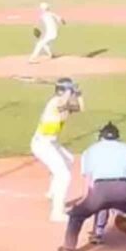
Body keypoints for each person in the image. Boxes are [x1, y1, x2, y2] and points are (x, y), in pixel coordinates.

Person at [58, 123, 126, 251]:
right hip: (123, 189)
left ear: (101, 137)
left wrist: (85, 198)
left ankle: (68, 249)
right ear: (117, 137)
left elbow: (88, 179)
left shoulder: (90, 151)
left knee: (76, 215)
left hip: (100, 191)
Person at [30, 77, 83, 222]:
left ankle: (53, 193)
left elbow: (80, 108)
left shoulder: (63, 103)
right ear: (62, 91)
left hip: (50, 143)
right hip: (42, 144)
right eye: (68, 90)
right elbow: (62, 104)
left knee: (69, 160)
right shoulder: (55, 102)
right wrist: (70, 92)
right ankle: (57, 213)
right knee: (64, 175)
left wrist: (78, 94)